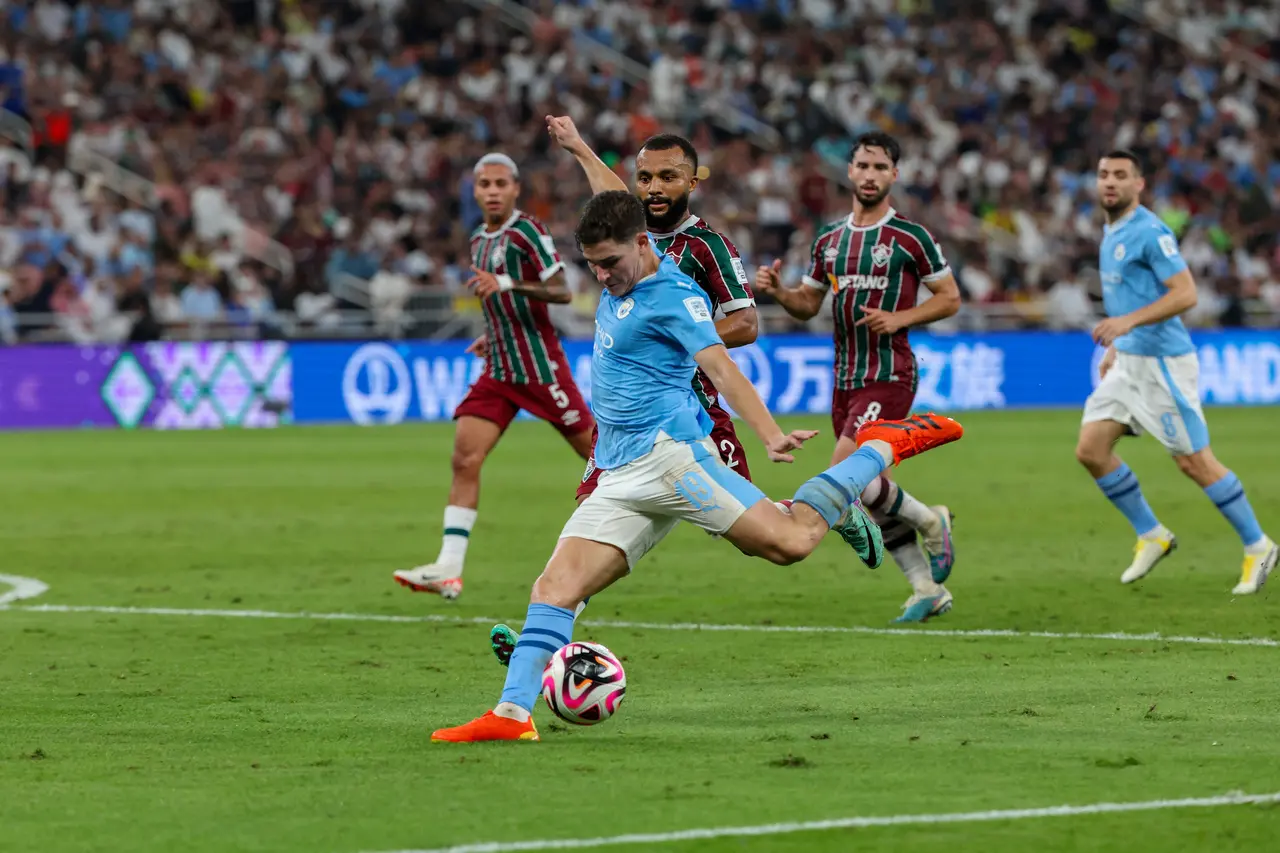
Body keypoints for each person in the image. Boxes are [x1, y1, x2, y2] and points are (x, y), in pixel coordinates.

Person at [430, 190, 963, 743]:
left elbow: (723, 369)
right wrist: (581, 150)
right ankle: (512, 714)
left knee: (791, 542)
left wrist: (771, 434)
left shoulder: (673, 295)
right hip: (618, 471)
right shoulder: (624, 267)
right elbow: (616, 199)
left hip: (673, 460)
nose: (602, 276)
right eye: (592, 265)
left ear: (642, 244)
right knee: (553, 587)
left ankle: (879, 449)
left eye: (609, 262)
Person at [487, 116, 881, 665]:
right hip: (632, 421)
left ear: (692, 183)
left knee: (758, 532)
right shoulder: (627, 235)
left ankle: (833, 508)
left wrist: (680, 337)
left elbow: (745, 323)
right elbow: (608, 193)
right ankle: (548, 632)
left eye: (667, 178)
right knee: (595, 513)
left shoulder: (708, 247)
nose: (653, 188)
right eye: (645, 178)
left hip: (693, 408)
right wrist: (578, 148)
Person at [754, 131, 963, 623]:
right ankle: (926, 588)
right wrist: (780, 293)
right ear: (849, 172)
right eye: (863, 166)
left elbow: (950, 297)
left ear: (895, 174)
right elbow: (808, 304)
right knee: (871, 489)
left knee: (845, 475)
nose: (870, 175)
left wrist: (901, 318)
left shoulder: (910, 237)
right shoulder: (828, 241)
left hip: (889, 373)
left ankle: (932, 521)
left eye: (880, 167)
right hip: (845, 381)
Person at [393, 153, 595, 600]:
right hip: (500, 369)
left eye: (501, 184)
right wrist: (494, 331)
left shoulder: (528, 231)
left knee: (601, 456)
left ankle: (667, 501)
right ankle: (448, 568)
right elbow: (498, 300)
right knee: (465, 458)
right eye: (485, 184)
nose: (493, 191)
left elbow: (561, 290)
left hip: (539, 367)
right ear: (475, 190)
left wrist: (506, 284)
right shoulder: (478, 239)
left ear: (515, 188)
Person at [1076, 150, 1276, 594]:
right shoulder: (1111, 230)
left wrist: (1126, 324)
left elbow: (1186, 294)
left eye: (1121, 175)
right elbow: (1132, 295)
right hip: (1129, 361)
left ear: (1139, 184)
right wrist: (1120, 344)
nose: (1110, 182)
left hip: (1162, 364)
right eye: (1104, 174)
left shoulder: (1150, 232)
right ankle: (1152, 535)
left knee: (1193, 461)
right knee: (1091, 449)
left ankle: (1258, 545)